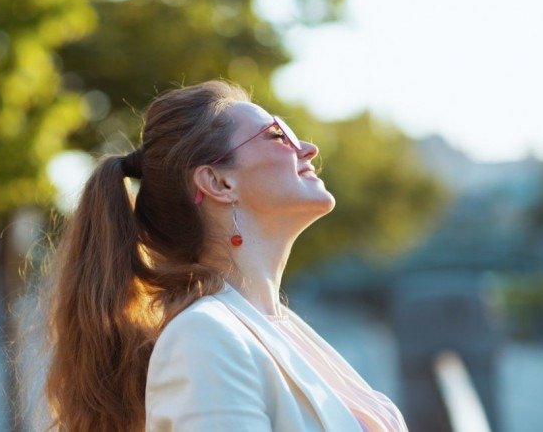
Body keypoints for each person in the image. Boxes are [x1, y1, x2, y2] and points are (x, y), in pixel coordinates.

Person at [41, 80, 408, 431]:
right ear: (218, 183)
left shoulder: (275, 325)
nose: (308, 147)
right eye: (278, 134)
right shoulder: (204, 337)